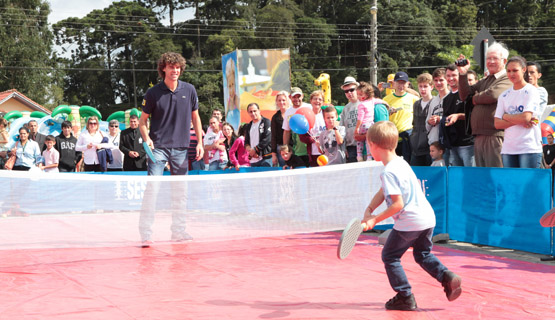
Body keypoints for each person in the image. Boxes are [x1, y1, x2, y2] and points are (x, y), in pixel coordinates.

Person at [362, 121, 462, 311]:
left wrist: (374, 220)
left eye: (368, 145)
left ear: (373, 145)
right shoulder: (401, 163)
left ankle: (404, 296)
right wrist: (369, 209)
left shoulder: (388, 172)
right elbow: (384, 192)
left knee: (390, 256)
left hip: (410, 221)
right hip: (427, 218)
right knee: (422, 254)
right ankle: (447, 276)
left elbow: (398, 204)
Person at [139, 51, 204, 246]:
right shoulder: (152, 93)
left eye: (178, 67)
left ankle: (178, 231)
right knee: (153, 189)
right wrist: (147, 138)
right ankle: (146, 234)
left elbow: (196, 117)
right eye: (171, 67)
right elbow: (143, 121)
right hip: (158, 148)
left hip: (182, 149)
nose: (175, 70)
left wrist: (199, 142)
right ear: (163, 69)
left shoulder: (190, 89)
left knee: (180, 192)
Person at [458, 42, 512, 167]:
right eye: (488, 58)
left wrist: (474, 99)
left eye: (495, 58)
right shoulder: (486, 79)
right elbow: (465, 95)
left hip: (495, 134)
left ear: (504, 61)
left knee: (496, 176)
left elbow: (492, 95)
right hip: (479, 135)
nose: (491, 61)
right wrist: (462, 74)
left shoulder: (507, 78)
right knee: (483, 177)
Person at [494, 56, 542, 168]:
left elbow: (525, 117)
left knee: (527, 185)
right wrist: (518, 120)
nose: (511, 74)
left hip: (529, 148)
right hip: (508, 150)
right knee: (511, 185)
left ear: (523, 70)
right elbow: (497, 124)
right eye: (509, 71)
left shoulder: (531, 91)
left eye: (515, 70)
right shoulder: (504, 95)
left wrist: (506, 116)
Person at [442, 64, 475, 167]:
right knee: (457, 178)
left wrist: (458, 116)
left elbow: (474, 115)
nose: (451, 78)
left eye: (454, 75)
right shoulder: (446, 99)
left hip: (468, 144)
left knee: (470, 176)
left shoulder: (468, 94)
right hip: (453, 145)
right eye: (448, 75)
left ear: (459, 76)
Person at [384, 71, 419, 163]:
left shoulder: (414, 99)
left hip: (407, 136)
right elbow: (382, 118)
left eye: (403, 83)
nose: (401, 86)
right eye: (398, 83)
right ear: (394, 84)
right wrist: (388, 113)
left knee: (408, 164)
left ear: (408, 84)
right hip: (391, 138)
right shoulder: (386, 99)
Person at [354, 82, 388, 162]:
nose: (359, 97)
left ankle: (360, 155)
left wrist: (360, 135)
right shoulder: (374, 103)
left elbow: (381, 130)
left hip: (376, 152)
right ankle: (363, 156)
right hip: (372, 151)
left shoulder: (378, 108)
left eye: (361, 94)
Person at [409, 73, 434, 166]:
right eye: (420, 86)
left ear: (431, 87)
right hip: (416, 147)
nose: (423, 89)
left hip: (430, 147)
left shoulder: (435, 102)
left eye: (425, 86)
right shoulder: (416, 104)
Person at [282, 87, 309, 167]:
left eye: (298, 96)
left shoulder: (309, 107)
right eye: (294, 97)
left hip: (310, 149)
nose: (296, 99)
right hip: (297, 150)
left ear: (303, 96)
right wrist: (285, 149)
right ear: (290, 97)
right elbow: (286, 131)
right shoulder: (288, 112)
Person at [299, 90, 327, 167]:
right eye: (315, 99)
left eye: (320, 99)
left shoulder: (326, 114)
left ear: (323, 102)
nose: (317, 101)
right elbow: (302, 137)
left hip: (328, 151)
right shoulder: (306, 116)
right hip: (314, 153)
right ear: (311, 101)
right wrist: (312, 139)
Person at [338, 76, 361, 163]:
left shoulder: (364, 103)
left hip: (366, 144)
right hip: (351, 147)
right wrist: (344, 148)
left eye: (351, 90)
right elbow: (342, 129)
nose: (349, 93)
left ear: (357, 89)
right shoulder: (345, 109)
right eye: (346, 91)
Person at [426, 68, 449, 147]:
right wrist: (430, 122)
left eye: (441, 80)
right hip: (434, 142)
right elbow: (426, 126)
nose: (438, 83)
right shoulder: (433, 101)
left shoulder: (452, 97)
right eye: (436, 80)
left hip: (448, 142)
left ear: (447, 80)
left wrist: (441, 119)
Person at [245, 103, 272, 167]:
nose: (253, 113)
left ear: (259, 111)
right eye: (250, 112)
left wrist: (255, 150)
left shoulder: (266, 122)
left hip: (265, 158)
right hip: (253, 159)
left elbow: (268, 138)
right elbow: (246, 141)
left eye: (255, 111)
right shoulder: (249, 126)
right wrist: (249, 149)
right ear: (248, 113)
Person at [271, 91, 290, 167]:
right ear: (276, 102)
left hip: (293, 147)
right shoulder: (275, 117)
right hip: (281, 148)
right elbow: (273, 137)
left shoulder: (292, 113)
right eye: (279, 100)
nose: (281, 102)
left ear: (287, 101)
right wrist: (274, 154)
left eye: (283, 100)